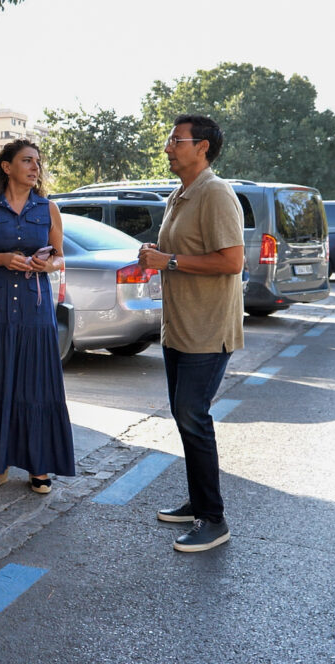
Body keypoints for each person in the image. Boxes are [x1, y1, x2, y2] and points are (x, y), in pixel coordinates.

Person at [138, 114, 244, 553]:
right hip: (178, 327)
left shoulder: (215, 193)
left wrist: (170, 262)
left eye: (175, 140)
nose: (167, 147)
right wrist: (155, 255)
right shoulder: (180, 194)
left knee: (193, 418)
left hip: (206, 329)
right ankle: (198, 502)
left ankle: (213, 519)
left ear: (201, 147)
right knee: (185, 418)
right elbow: (177, 252)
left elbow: (232, 261)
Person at [0, 139, 75, 493]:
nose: (35, 167)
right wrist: (3, 259)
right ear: (6, 167)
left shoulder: (48, 208)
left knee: (36, 384)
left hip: (36, 311)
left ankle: (39, 466)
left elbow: (60, 258)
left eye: (37, 162)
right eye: (27, 161)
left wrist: (45, 263)